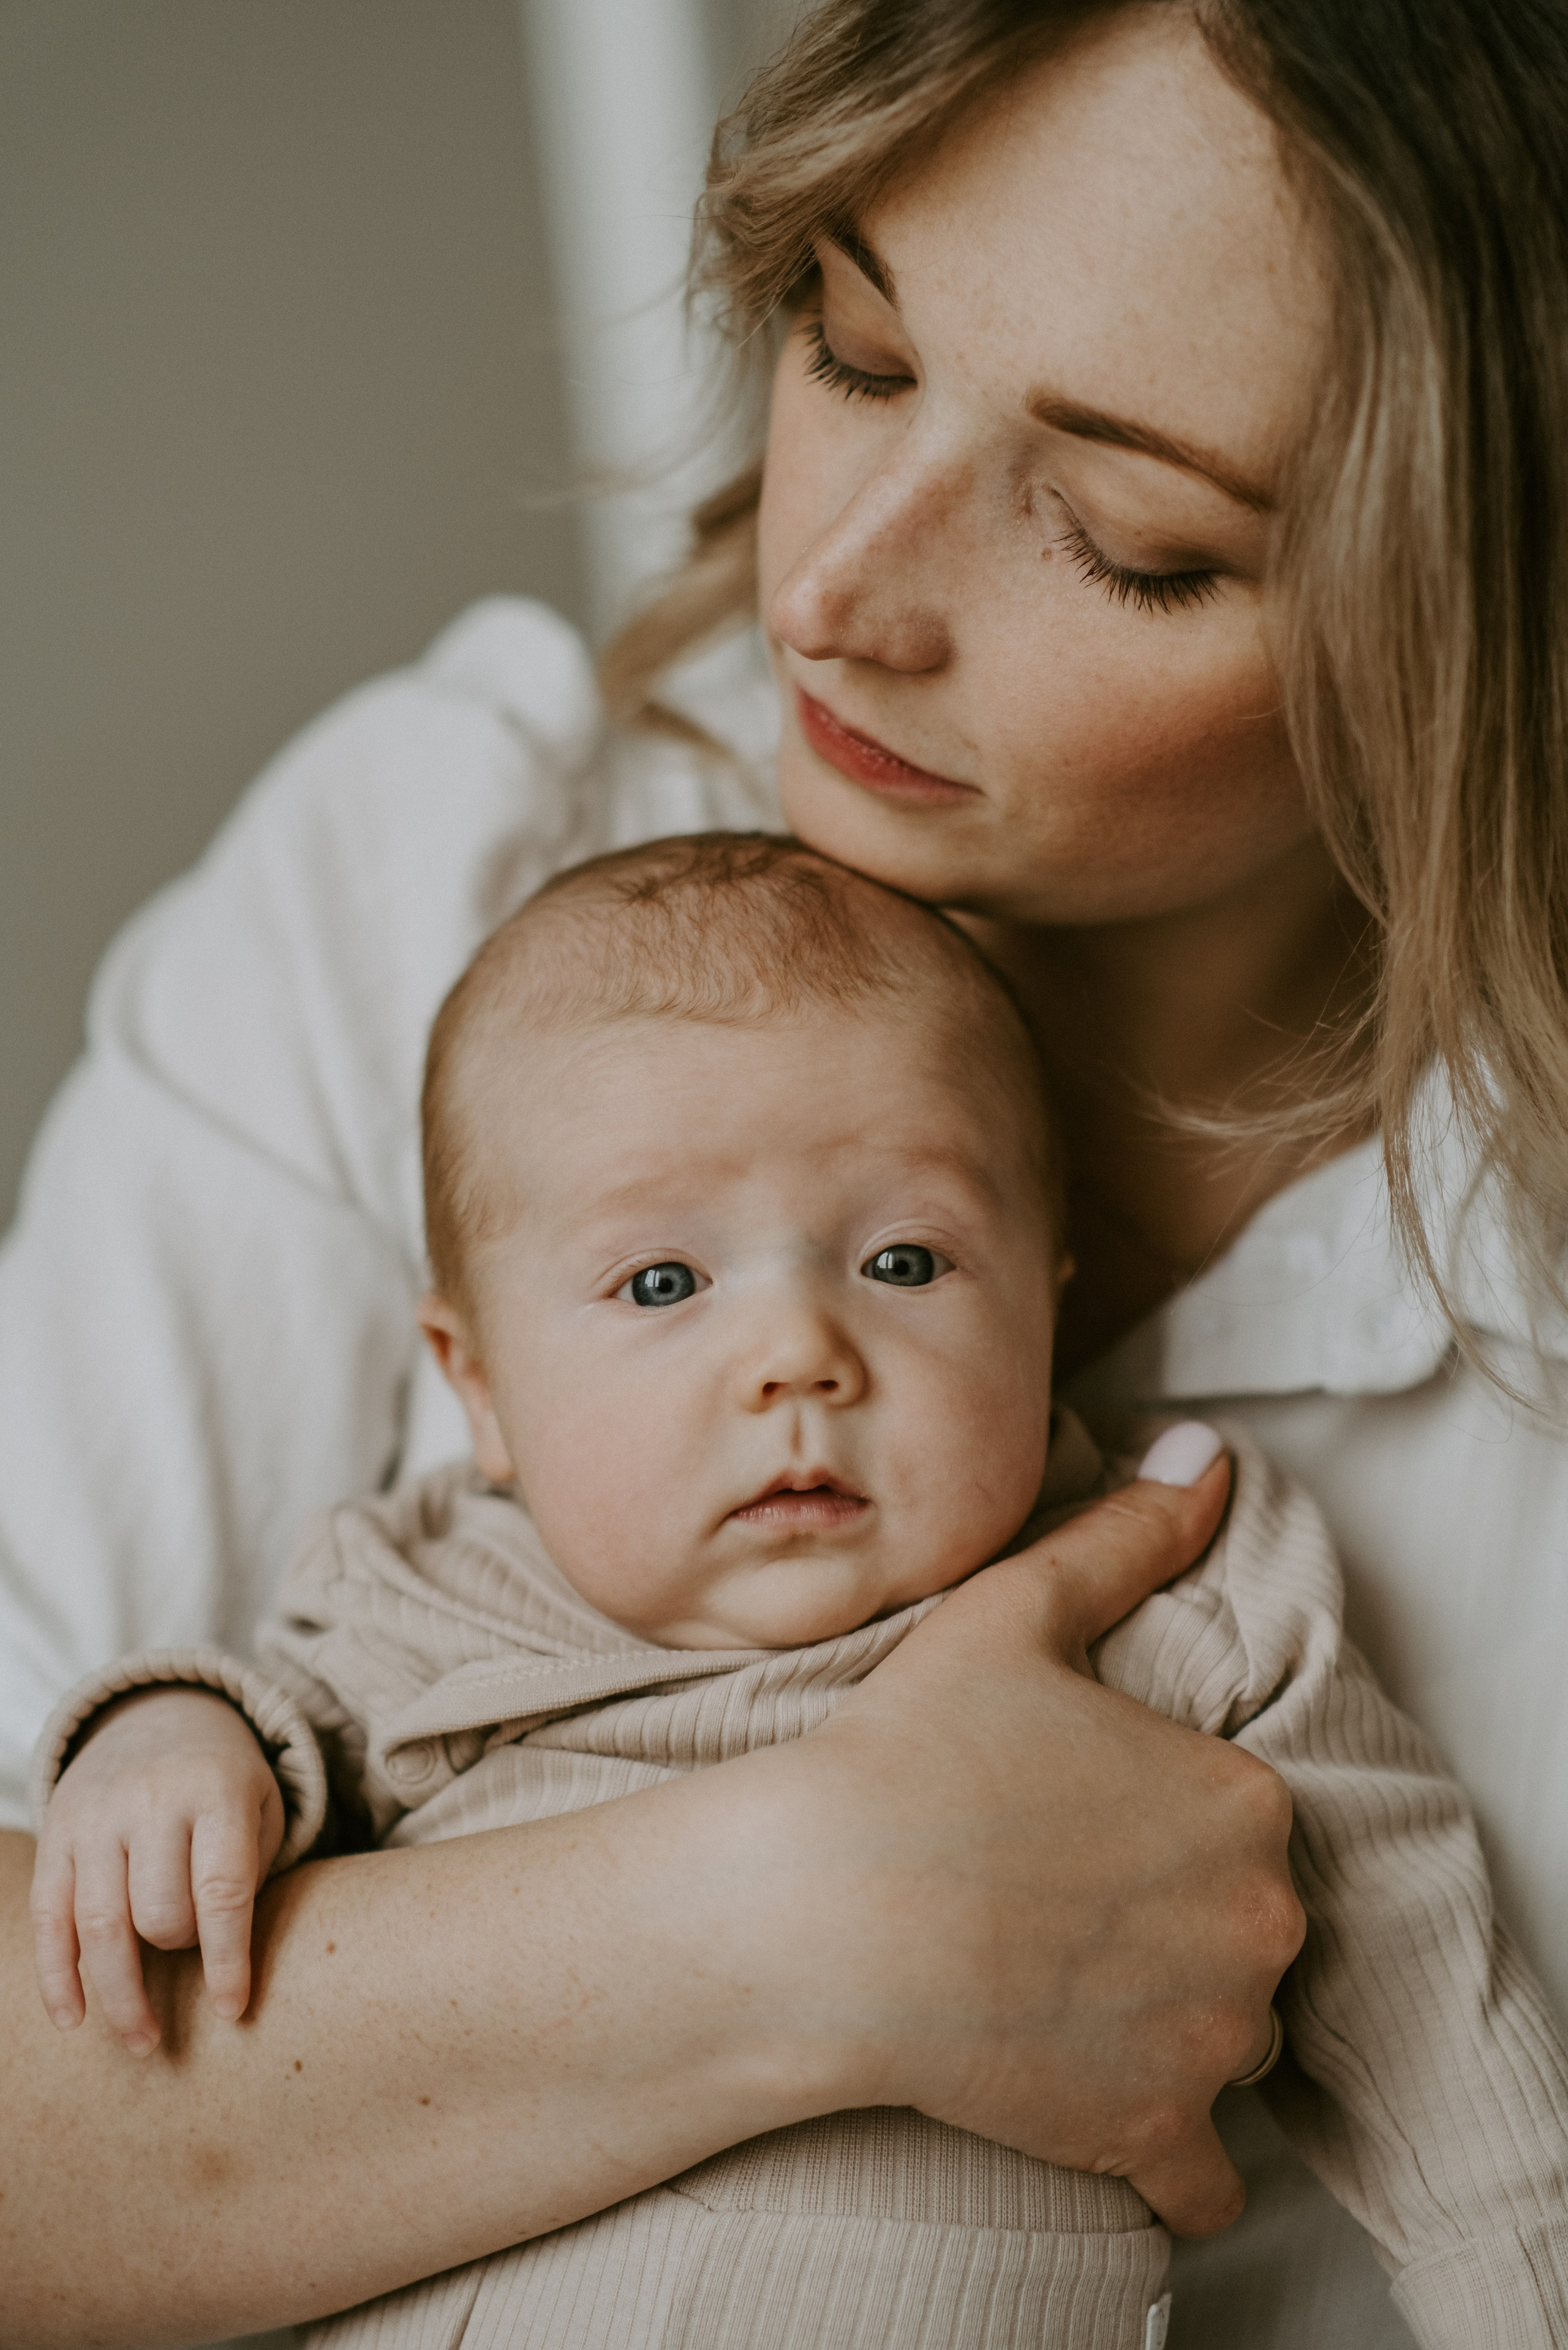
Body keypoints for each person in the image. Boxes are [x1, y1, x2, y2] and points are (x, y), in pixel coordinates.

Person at [2, 2, 1566, 2345]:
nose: (830, 590)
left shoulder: (1264, 1555)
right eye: (854, 348)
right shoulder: (456, 871)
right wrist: (820, 1908)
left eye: (1132, 542)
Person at [29, 837, 1568, 2350]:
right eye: (661, 1283)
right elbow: (278, 1727)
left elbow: (1432, 2011)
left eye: (903, 1261)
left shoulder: (1174, 1590)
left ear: (1046, 1299)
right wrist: (168, 1734)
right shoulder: (440, 1585)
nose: (796, 1355)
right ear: (478, 1383)